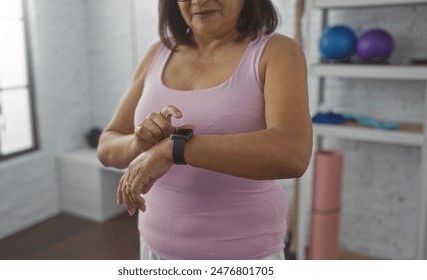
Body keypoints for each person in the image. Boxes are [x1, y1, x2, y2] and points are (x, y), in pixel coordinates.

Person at [97, 0, 312, 260]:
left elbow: (292, 154)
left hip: (243, 256)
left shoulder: (276, 51)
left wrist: (173, 149)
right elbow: (106, 147)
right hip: (154, 249)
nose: (198, 1)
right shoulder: (158, 53)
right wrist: (139, 144)